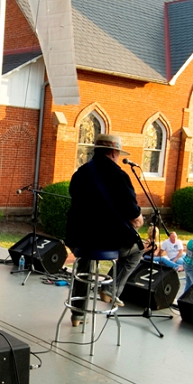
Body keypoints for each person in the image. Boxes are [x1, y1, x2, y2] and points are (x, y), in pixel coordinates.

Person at [65, 134, 143, 324]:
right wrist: (138, 218)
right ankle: (109, 289)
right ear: (114, 152)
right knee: (137, 250)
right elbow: (132, 212)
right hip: (109, 240)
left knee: (84, 265)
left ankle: (77, 314)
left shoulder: (80, 173)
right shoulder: (120, 175)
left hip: (80, 239)